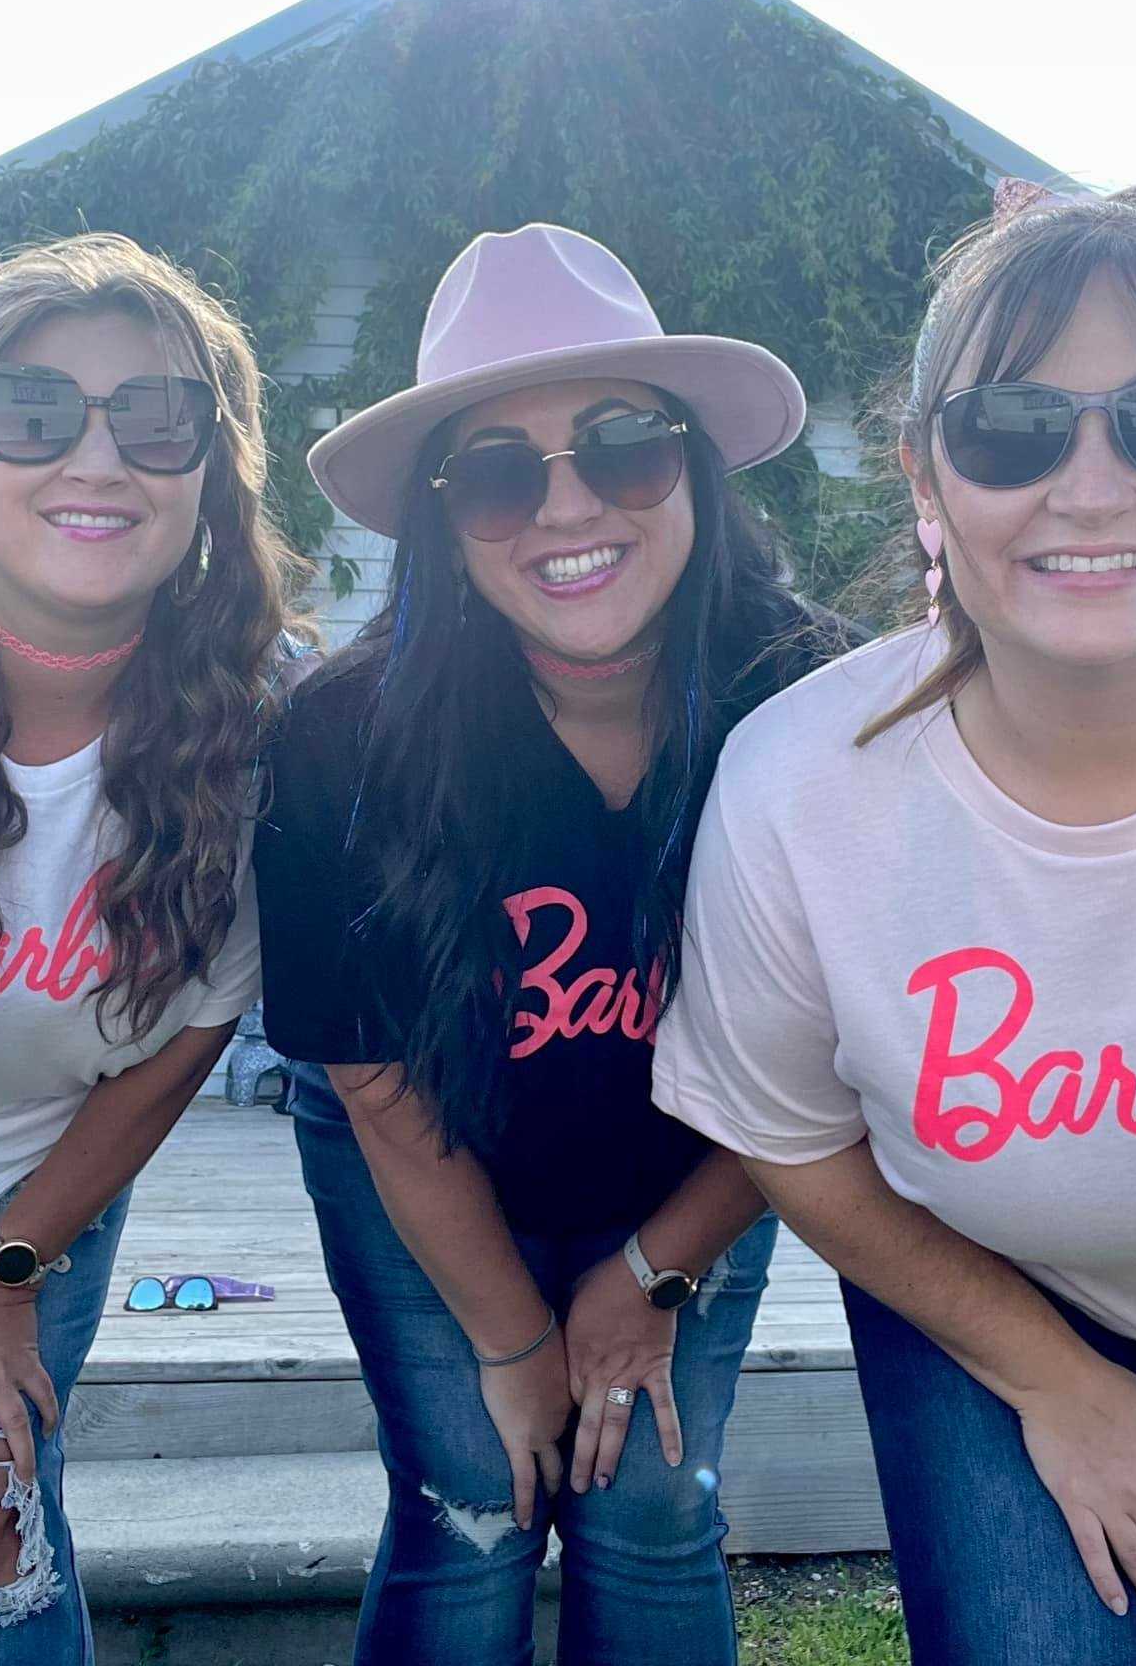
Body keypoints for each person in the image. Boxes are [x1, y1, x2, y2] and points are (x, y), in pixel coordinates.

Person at [652, 179, 1136, 1665]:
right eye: (1016, 429)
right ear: (927, 477)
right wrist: (1050, 1376)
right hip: (986, 1290)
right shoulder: (798, 784)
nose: (1089, 490)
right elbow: (788, 1133)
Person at [257, 222, 839, 1666]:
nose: (567, 506)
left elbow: (824, 1066)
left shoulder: (812, 705)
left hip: (701, 1163)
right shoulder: (343, 741)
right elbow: (377, 1087)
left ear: (693, 464)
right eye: (500, 472)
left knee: (649, 1501)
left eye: (623, 446)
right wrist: (519, 1343)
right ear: (448, 523)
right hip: (432, 1143)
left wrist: (647, 1278)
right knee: (474, 1489)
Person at [0, 235, 304, 1663]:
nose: (101, 460)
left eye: (159, 421)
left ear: (209, 469)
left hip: (27, 1173)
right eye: (36, 412)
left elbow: (198, 1024)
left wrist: (3, 1274)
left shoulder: (256, 732)